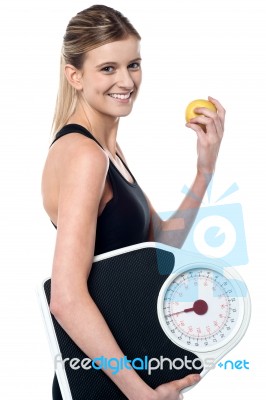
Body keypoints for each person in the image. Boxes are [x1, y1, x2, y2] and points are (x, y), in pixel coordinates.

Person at [41, 4, 225, 400]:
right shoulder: (84, 155)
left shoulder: (107, 150)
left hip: (130, 376)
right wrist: (137, 392)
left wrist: (204, 170)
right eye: (108, 68)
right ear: (75, 75)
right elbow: (66, 298)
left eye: (133, 64)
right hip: (106, 385)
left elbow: (159, 244)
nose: (126, 80)